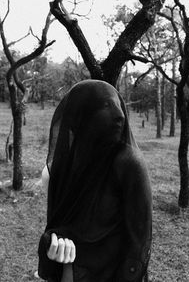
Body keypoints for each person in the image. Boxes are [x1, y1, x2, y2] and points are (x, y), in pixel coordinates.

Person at [38, 79, 152, 282]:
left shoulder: (128, 162)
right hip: (71, 271)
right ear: (80, 117)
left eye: (116, 105)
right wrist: (52, 241)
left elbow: (139, 242)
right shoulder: (71, 163)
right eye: (105, 106)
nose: (117, 115)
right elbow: (66, 222)